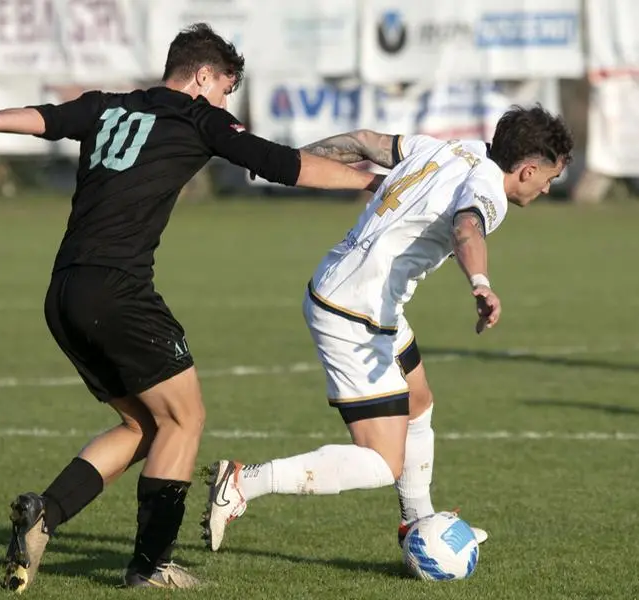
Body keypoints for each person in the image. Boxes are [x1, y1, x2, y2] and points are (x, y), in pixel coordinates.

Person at [0, 23, 381, 592]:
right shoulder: (197, 116)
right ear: (203, 76)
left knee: (143, 423)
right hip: (119, 291)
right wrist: (370, 181)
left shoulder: (109, 106)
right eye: (226, 89)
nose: (226, 102)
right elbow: (280, 164)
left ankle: (45, 514)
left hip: (64, 292)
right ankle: (149, 566)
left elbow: (49, 118)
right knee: (185, 419)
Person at [202, 105, 574, 556]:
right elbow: (467, 226)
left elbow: (361, 142)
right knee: (381, 462)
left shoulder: (445, 149)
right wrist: (481, 283)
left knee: (418, 401)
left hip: (364, 298)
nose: (548, 188)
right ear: (528, 168)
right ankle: (243, 482)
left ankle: (418, 523)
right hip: (353, 313)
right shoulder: (490, 192)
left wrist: (285, 160)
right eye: (549, 178)